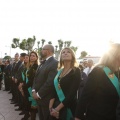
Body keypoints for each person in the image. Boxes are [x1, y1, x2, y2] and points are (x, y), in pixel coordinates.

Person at [75, 43, 120, 120]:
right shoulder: (98, 71)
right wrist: (78, 116)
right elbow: (85, 95)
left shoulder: (118, 72)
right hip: (97, 115)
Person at [49, 47, 81, 120]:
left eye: (68, 52)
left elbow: (72, 94)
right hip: (55, 106)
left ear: (72, 56)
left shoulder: (76, 71)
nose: (65, 53)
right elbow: (53, 90)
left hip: (69, 106)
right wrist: (51, 108)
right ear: (60, 57)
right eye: (63, 52)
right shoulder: (59, 72)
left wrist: (57, 109)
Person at [32, 44, 58, 120]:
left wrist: (38, 94)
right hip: (38, 99)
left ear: (49, 51)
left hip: (46, 100)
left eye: (43, 49)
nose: (41, 51)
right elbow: (35, 78)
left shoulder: (55, 63)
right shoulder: (42, 63)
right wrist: (33, 90)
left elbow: (50, 82)